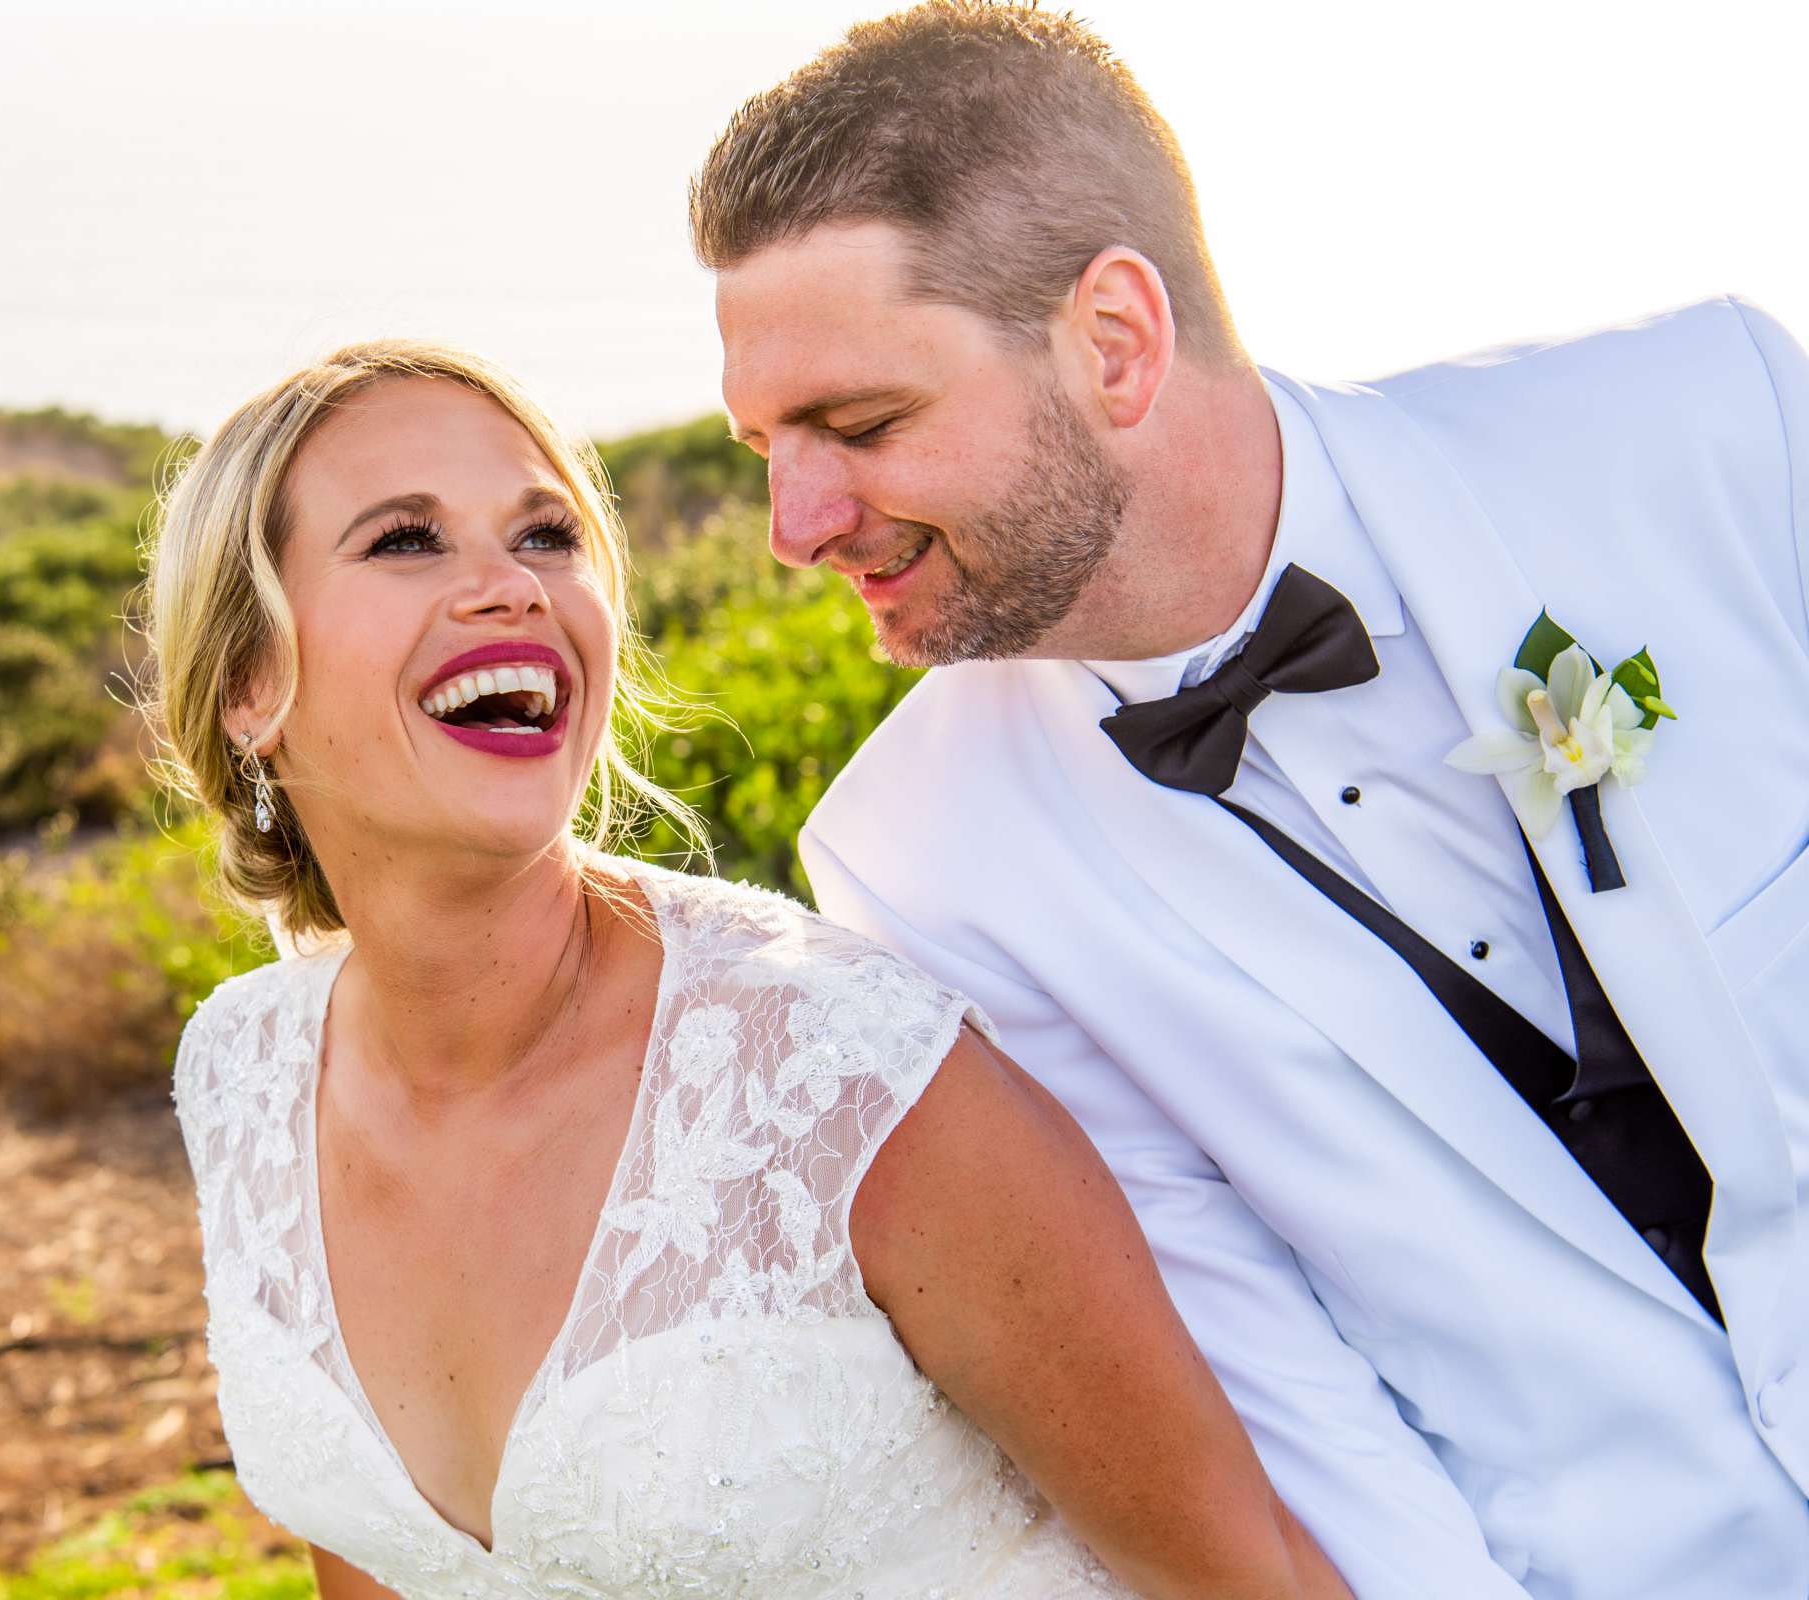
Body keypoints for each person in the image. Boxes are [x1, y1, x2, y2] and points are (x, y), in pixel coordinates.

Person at [694, 5, 1809, 1598]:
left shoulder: (1715, 423)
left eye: (861, 427)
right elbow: (1285, 1408)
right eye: (760, 448)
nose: (794, 526)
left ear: (1117, 341)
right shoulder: (918, 864)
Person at [149, 339, 1349, 1599]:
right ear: (248, 680)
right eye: (405, 540)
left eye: (548, 535)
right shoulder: (243, 1076)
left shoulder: (842, 1074)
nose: (510, 586)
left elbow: (1249, 1572)